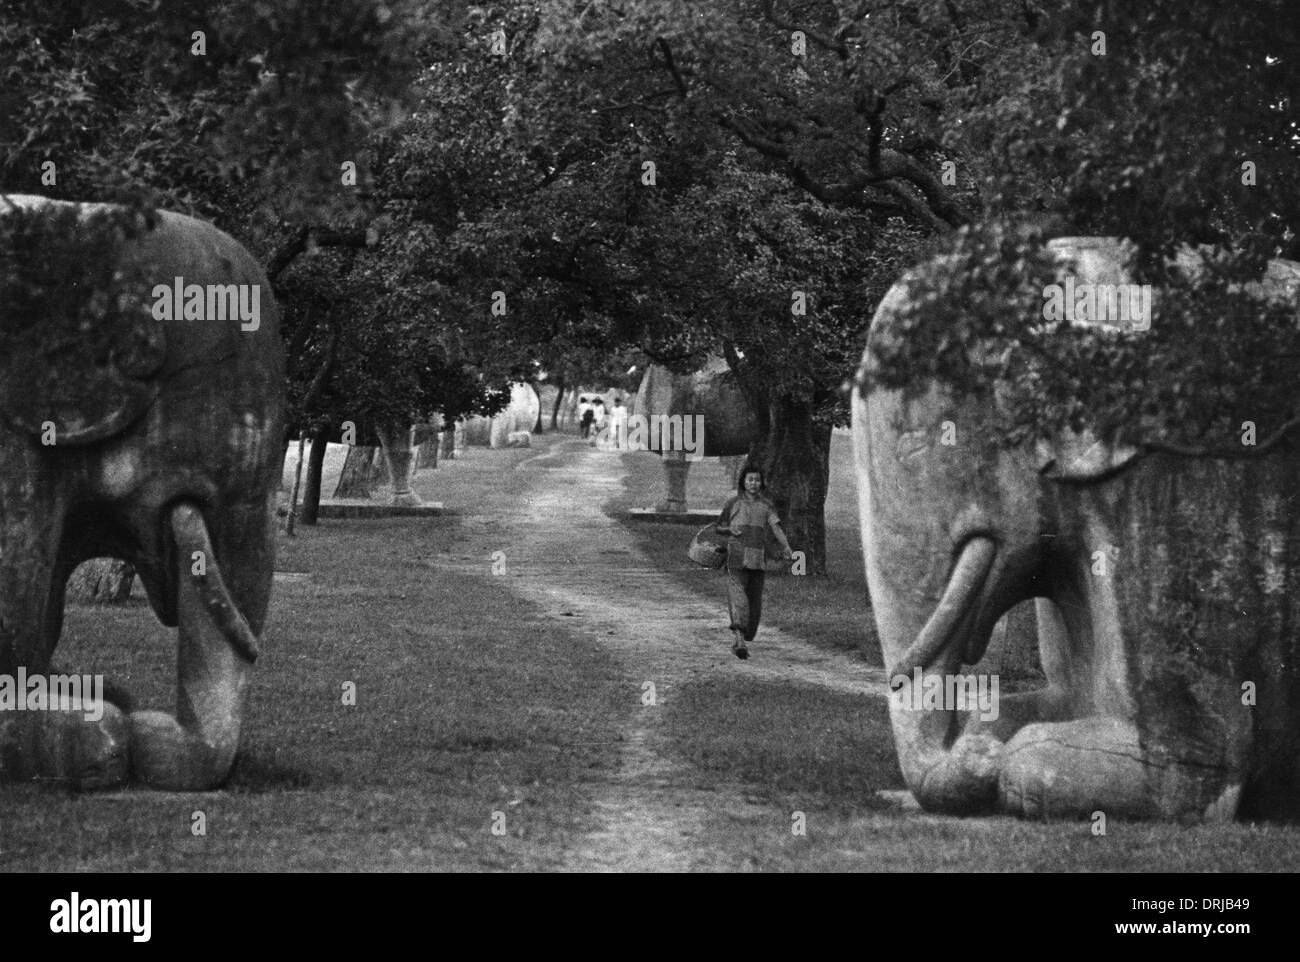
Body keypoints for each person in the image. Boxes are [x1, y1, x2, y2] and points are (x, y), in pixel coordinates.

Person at [715, 464, 793, 659]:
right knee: (738, 599)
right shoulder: (732, 503)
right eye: (750, 479)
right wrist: (729, 531)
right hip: (736, 558)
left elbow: (776, 528)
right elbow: (719, 527)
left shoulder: (766, 506)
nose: (753, 483)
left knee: (754, 603)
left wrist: (786, 546)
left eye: (757, 480)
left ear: (761, 483)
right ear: (743, 482)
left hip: (758, 560)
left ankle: (743, 637)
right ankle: (740, 641)